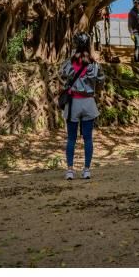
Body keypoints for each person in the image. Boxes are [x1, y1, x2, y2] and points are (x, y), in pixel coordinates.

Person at [59, 32, 105, 181]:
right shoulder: (95, 65)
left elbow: (62, 75)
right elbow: (101, 81)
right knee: (88, 138)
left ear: (75, 45)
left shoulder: (68, 63)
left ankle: (70, 170)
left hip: (73, 104)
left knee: (71, 139)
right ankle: (86, 170)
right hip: (88, 103)